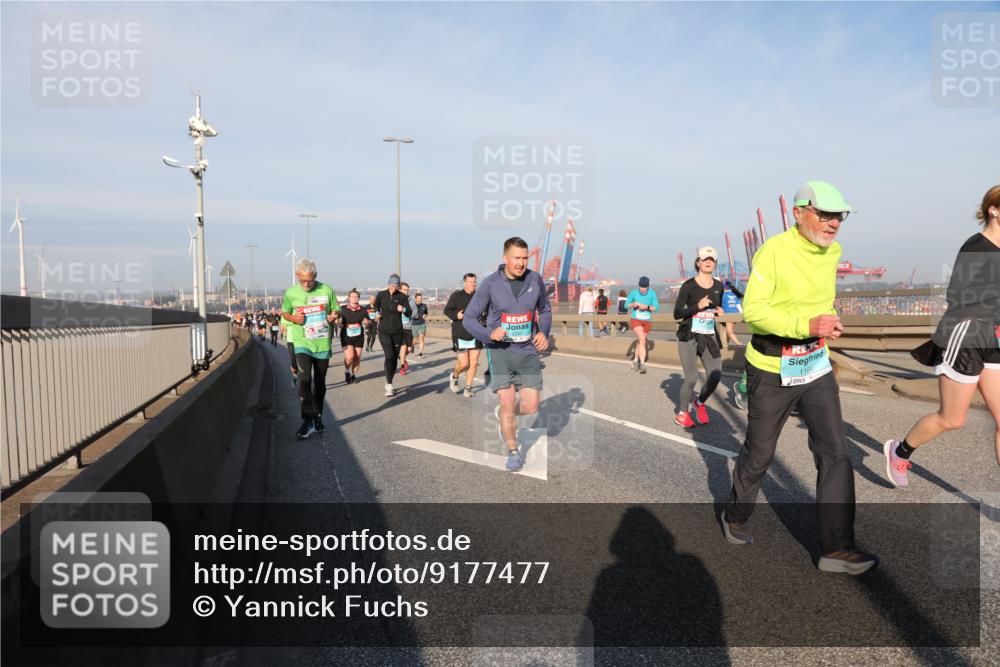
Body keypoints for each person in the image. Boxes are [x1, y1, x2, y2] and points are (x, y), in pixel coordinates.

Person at [722, 180, 877, 575]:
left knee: (836, 453)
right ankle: (736, 514)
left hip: (815, 364)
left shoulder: (833, 251)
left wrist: (826, 325)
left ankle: (837, 549)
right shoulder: (773, 250)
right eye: (824, 214)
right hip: (772, 367)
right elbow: (754, 312)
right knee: (760, 453)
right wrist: (804, 323)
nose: (833, 223)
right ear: (798, 213)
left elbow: (817, 302)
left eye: (838, 215)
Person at [884, 185, 1000, 485]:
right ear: (994, 210)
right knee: (952, 419)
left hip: (995, 338)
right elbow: (957, 295)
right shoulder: (976, 248)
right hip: (967, 334)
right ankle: (900, 450)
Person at [463, 238, 552, 472]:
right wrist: (489, 333)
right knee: (508, 401)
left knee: (531, 406)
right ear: (505, 258)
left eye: (525, 258)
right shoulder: (491, 284)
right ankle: (513, 451)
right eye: (517, 258)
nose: (521, 263)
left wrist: (543, 332)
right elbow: (469, 319)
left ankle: (505, 413)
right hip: (500, 352)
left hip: (527, 350)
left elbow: (545, 309)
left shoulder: (535, 280)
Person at [281, 259, 340, 439]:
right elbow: (284, 312)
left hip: (322, 343)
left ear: (315, 276)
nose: (307, 284)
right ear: (297, 277)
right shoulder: (291, 293)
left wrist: (334, 316)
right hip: (302, 343)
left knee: (320, 383)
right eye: (303, 280)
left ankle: (317, 416)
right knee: (305, 379)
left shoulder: (326, 289)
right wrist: (293, 318)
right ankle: (307, 420)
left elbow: (337, 310)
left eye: (310, 280)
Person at [673, 247, 724, 428]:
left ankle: (699, 403)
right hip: (689, 336)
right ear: (698, 263)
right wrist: (697, 306)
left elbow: (718, 306)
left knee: (716, 375)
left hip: (709, 336)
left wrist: (719, 310)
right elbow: (677, 313)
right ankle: (682, 413)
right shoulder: (688, 286)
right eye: (705, 259)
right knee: (692, 378)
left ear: (715, 264)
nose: (708, 261)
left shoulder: (719, 286)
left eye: (712, 259)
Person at [444, 273, 486, 399]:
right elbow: (447, 310)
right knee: (464, 364)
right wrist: (456, 315)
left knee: (473, 363)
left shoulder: (480, 296)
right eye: (470, 282)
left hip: (476, 332)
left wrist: (484, 317)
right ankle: (455, 376)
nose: (473, 284)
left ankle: (468, 387)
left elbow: (486, 312)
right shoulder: (456, 295)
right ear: (464, 283)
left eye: (474, 282)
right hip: (460, 332)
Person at [374, 274, 411, 397]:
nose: (393, 287)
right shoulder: (381, 294)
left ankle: (389, 380)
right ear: (388, 283)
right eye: (392, 285)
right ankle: (389, 385)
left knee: (394, 357)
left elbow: (409, 312)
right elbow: (376, 306)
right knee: (389, 355)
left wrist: (404, 310)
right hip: (383, 331)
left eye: (396, 285)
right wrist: (376, 314)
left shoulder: (402, 297)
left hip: (397, 332)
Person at [625, 277, 658, 373]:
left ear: (648, 286)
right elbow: (625, 305)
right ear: (638, 286)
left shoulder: (652, 293)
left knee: (640, 342)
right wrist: (633, 304)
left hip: (647, 321)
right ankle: (642, 364)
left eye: (644, 287)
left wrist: (647, 307)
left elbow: (656, 308)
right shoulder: (634, 293)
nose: (642, 289)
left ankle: (635, 360)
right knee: (642, 339)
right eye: (641, 287)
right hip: (636, 320)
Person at [339, 288, 368, 385]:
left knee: (357, 357)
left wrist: (367, 322)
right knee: (350, 356)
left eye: (356, 297)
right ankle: (347, 371)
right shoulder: (343, 309)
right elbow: (336, 319)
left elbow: (369, 321)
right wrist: (338, 323)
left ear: (358, 298)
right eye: (352, 296)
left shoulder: (363, 309)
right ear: (349, 298)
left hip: (359, 336)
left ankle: (353, 375)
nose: (354, 298)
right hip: (346, 336)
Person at [398, 282, 416, 375]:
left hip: (408, 326)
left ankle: (402, 358)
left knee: (408, 349)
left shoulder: (411, 300)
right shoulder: (396, 299)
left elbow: (415, 313)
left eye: (407, 290)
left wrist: (408, 313)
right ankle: (402, 367)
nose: (406, 291)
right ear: (400, 290)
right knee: (403, 346)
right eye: (404, 289)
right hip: (398, 327)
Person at [721, 279, 745, 346]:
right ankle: (725, 344)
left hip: (726, 315)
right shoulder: (735, 295)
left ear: (724, 287)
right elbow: (738, 306)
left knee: (729, 332)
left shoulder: (722, 295)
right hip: (734, 315)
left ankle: (739, 343)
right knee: (727, 331)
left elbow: (720, 305)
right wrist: (741, 315)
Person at [411, 292, 429, 358]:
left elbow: (426, 313)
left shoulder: (424, 306)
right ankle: (412, 345)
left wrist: (425, 315)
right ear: (415, 299)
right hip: (414, 324)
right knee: (415, 340)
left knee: (422, 338)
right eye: (418, 298)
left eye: (421, 298)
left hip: (422, 324)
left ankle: (420, 353)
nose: (420, 299)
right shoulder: (412, 306)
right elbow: (410, 315)